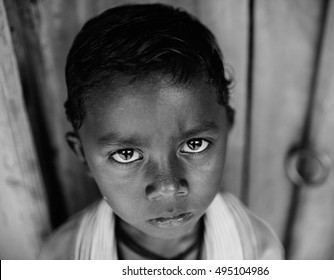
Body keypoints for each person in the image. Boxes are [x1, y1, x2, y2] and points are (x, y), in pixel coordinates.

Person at [40, 3, 284, 260]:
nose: (167, 187)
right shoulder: (63, 257)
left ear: (228, 125)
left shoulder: (259, 251)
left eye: (195, 144)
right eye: (125, 154)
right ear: (82, 154)